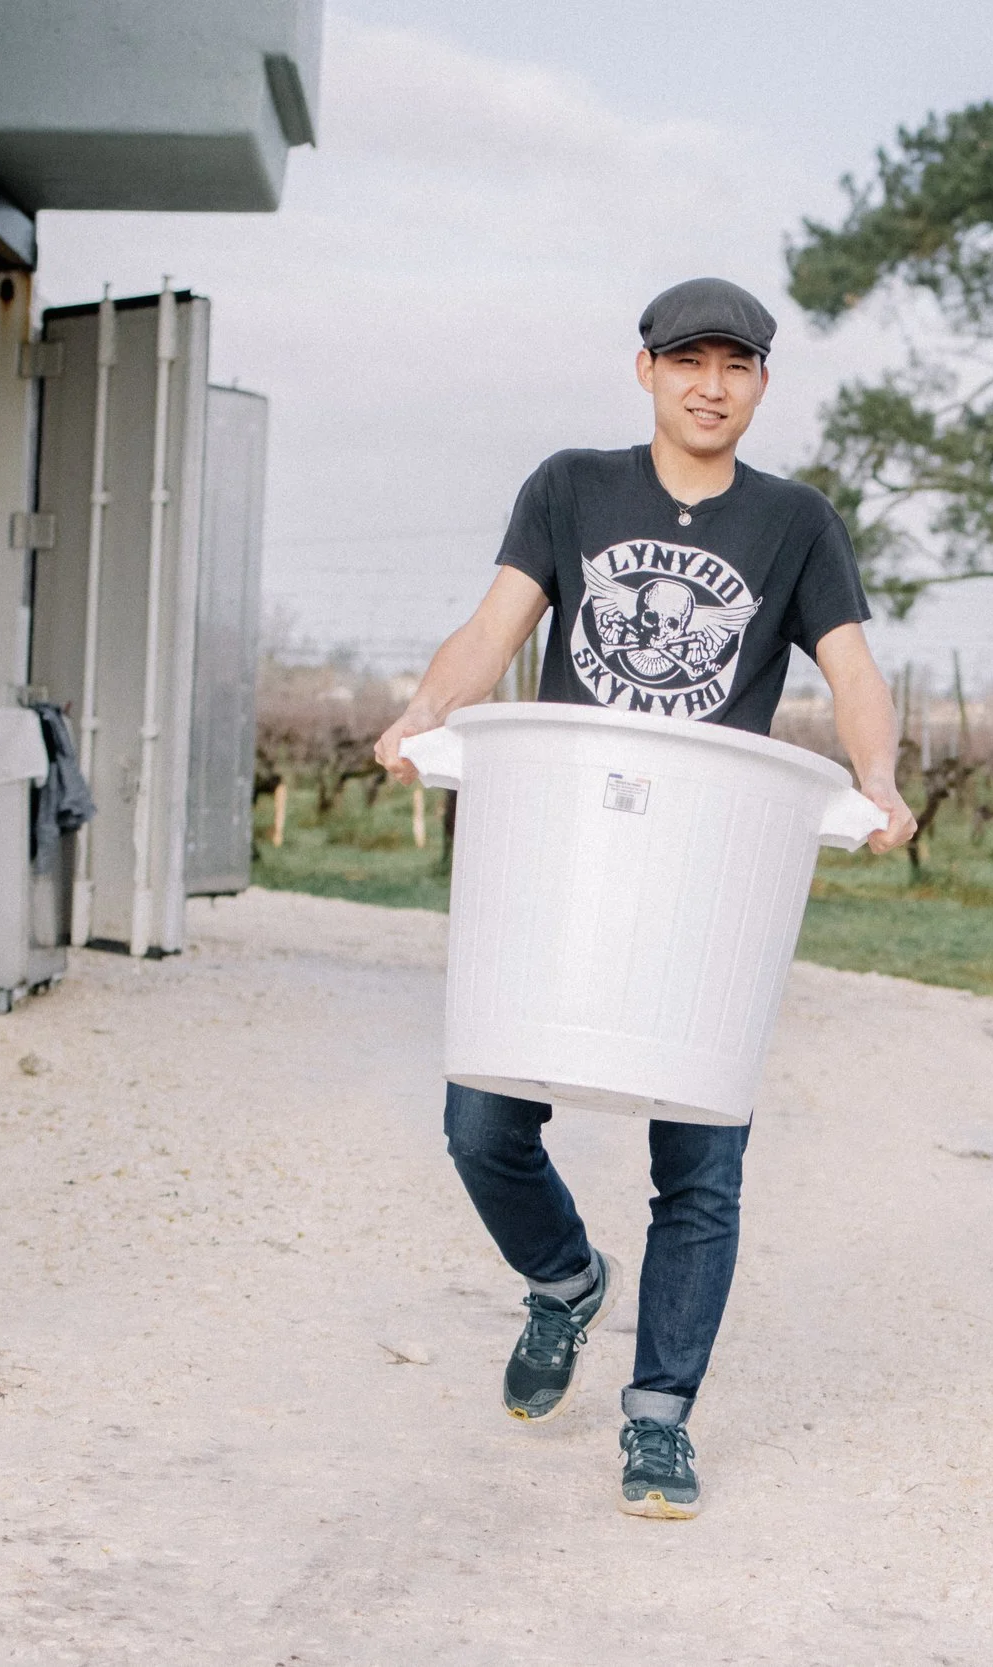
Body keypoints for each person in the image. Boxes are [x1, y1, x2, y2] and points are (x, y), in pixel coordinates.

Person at [376, 276, 916, 1519]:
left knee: (703, 1155)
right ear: (647, 370)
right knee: (481, 1124)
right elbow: (492, 627)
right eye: (688, 360)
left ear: (762, 385)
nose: (710, 383)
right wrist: (421, 716)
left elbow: (851, 669)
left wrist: (877, 778)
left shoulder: (797, 523)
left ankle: (659, 1419)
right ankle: (565, 1280)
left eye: (736, 364)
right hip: (566, 848)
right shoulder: (570, 485)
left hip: (706, 867)